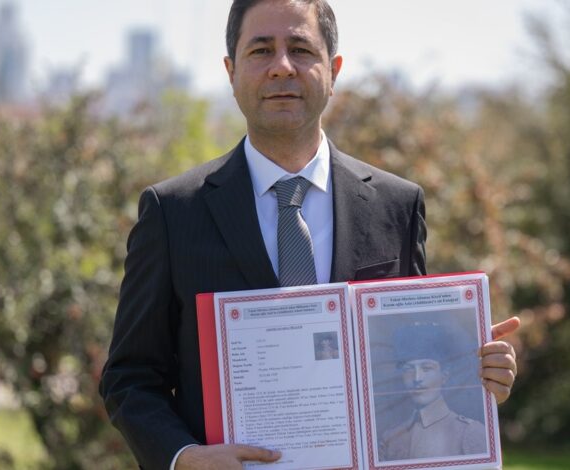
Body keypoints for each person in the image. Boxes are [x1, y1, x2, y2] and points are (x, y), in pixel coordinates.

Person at [99, 1, 520, 469]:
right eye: (261, 50)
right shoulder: (173, 213)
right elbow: (130, 376)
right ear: (231, 72)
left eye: (300, 49)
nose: (282, 66)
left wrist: (476, 372)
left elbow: (409, 352)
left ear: (333, 71)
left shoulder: (396, 206)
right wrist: (183, 458)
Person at [379, 323, 486, 461]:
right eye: (409, 369)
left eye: (427, 368)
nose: (417, 378)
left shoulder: (470, 432)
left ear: (444, 375)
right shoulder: (390, 439)